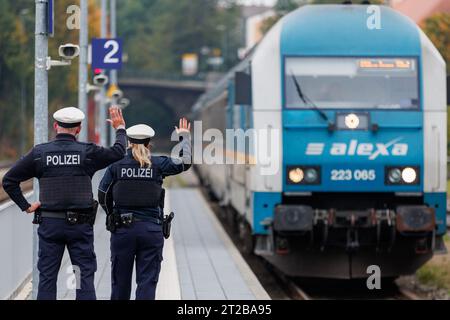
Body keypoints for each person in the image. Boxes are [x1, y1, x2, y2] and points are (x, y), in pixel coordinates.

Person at [2, 106, 127, 300]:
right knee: (82, 276)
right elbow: (119, 152)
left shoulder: (39, 153)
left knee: (47, 278)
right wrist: (120, 128)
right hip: (80, 227)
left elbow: (9, 180)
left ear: (55, 126)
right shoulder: (88, 152)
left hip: (50, 225)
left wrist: (26, 206)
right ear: (78, 128)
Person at [98, 118, 192, 300]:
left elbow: (103, 193)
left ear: (129, 142)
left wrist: (111, 215)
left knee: (120, 284)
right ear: (149, 143)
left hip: (122, 231)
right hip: (151, 230)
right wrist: (184, 138)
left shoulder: (116, 165)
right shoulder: (158, 164)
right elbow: (185, 162)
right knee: (147, 283)